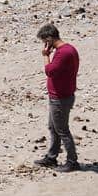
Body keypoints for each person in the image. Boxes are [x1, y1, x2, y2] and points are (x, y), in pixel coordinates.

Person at [33, 24, 81, 173]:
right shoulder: (69, 49)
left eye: (44, 41)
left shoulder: (63, 53)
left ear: (49, 38)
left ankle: (72, 161)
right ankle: (51, 157)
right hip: (61, 95)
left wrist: (45, 55)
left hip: (60, 98)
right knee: (53, 128)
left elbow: (50, 71)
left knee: (62, 130)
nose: (45, 44)